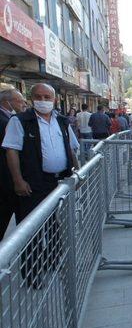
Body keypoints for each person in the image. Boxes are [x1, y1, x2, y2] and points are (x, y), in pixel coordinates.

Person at [2, 83, 80, 287]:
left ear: (54, 100)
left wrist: (77, 172)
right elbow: (11, 151)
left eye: (47, 97)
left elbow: (71, 148)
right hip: (33, 183)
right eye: (38, 96)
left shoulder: (62, 121)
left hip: (58, 181)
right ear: (31, 98)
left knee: (54, 225)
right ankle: (32, 274)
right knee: (31, 228)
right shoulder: (19, 121)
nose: (43, 101)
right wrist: (18, 180)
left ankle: (54, 260)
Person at [0, 88, 27, 239]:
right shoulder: (6, 121)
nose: (24, 103)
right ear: (7, 102)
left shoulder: (11, 119)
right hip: (6, 180)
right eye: (20, 100)